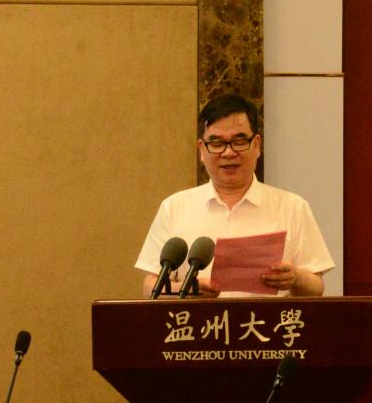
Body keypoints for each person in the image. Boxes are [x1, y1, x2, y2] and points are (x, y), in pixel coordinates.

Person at [135, 94, 334, 298]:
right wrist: (189, 288)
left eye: (239, 141)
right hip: (197, 319)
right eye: (217, 143)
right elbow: (150, 288)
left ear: (256, 145)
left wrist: (296, 278)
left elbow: (316, 288)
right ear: (202, 150)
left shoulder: (293, 207)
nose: (228, 153)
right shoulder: (174, 207)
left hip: (265, 320)